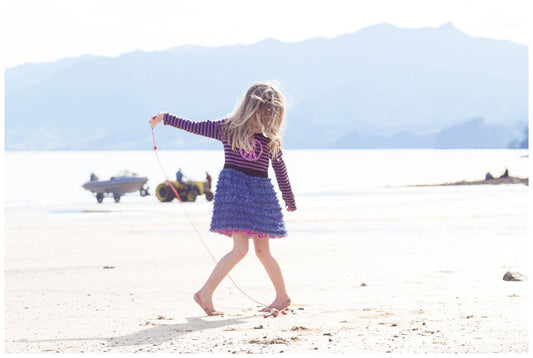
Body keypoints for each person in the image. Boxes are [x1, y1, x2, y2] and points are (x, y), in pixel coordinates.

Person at [149, 82, 297, 316]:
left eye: (273, 114)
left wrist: (289, 198)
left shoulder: (270, 140)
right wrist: (166, 118)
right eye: (267, 112)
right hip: (235, 195)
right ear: (253, 107)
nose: (270, 118)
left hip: (261, 197)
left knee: (262, 251)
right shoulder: (228, 128)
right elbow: (194, 126)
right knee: (240, 249)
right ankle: (205, 293)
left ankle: (282, 297)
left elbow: (280, 170)